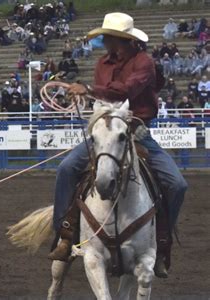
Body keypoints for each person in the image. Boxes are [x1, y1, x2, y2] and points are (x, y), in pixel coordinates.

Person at [48, 12, 187, 279]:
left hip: (137, 131)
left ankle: (163, 242)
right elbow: (107, 99)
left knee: (177, 184)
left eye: (108, 38)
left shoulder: (144, 62)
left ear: (122, 40)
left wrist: (87, 89)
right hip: (107, 131)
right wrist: (90, 98)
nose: (105, 43)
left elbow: (125, 91)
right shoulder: (103, 63)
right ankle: (65, 234)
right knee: (66, 168)